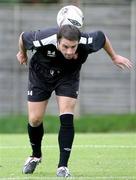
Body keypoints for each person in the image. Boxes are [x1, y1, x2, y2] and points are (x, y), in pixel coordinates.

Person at [16, 23, 132, 177]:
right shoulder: (43, 38)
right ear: (57, 41)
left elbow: (102, 37)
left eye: (73, 47)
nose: (69, 51)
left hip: (67, 76)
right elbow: (23, 37)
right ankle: (35, 155)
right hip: (40, 75)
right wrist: (22, 53)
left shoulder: (87, 40)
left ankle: (62, 166)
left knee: (66, 115)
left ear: (79, 42)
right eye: (65, 46)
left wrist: (114, 56)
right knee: (35, 119)